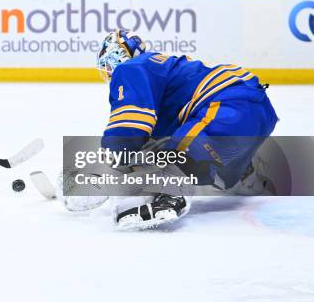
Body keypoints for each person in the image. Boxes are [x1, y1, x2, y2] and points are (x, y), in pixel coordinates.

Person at [61, 30, 278, 229]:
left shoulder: (130, 68)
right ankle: (245, 173)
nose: (109, 73)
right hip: (252, 110)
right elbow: (147, 143)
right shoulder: (158, 72)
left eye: (108, 64)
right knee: (174, 151)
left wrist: (107, 168)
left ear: (120, 55)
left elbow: (128, 128)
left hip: (227, 105)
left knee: (177, 156)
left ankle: (172, 196)